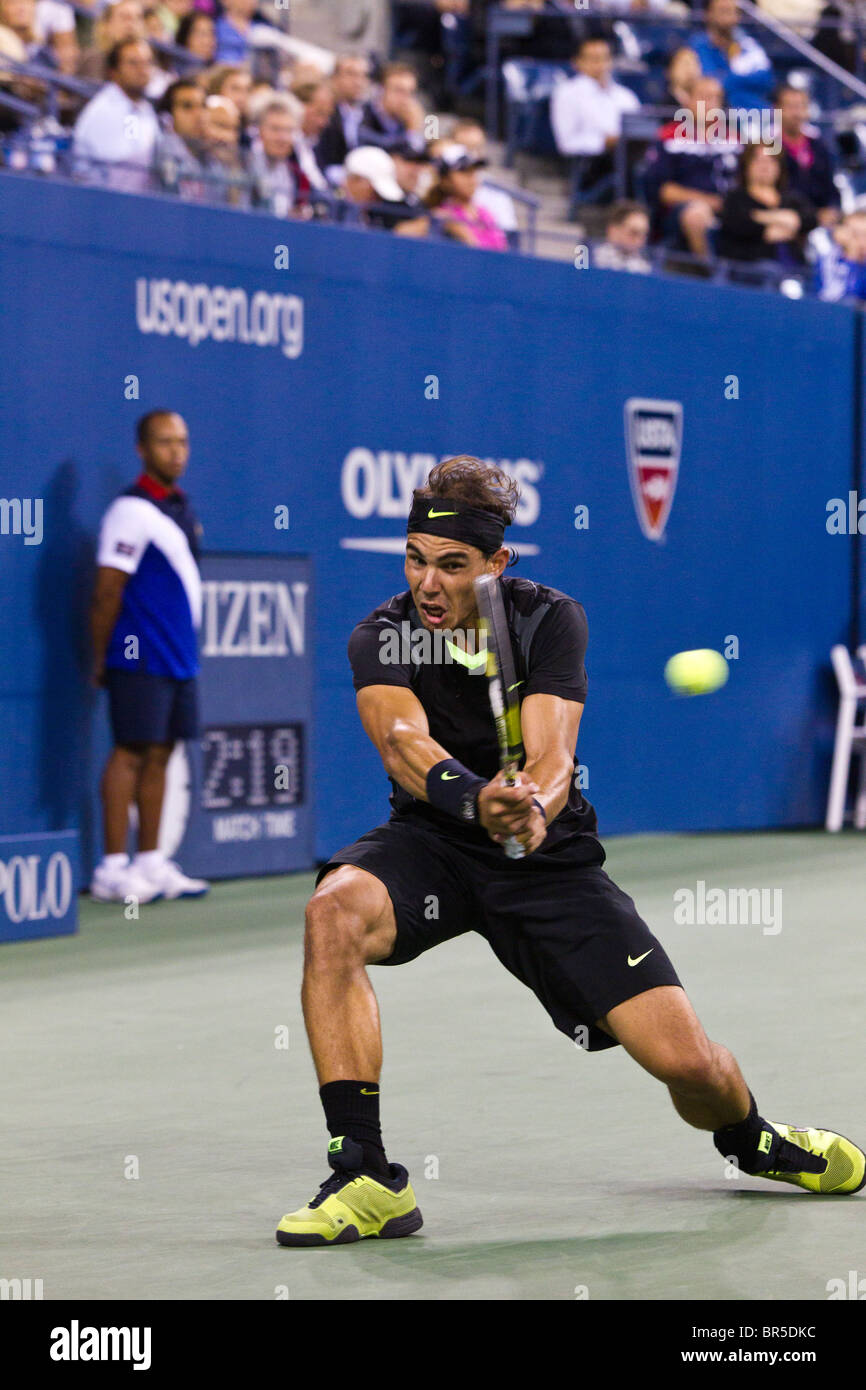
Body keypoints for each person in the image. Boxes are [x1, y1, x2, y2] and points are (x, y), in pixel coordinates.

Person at [275, 455, 865, 1246]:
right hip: (435, 844)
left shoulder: (548, 621)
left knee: (689, 1066)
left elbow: (553, 757)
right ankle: (364, 1175)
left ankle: (752, 1138)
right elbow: (400, 740)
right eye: (415, 559)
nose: (428, 583)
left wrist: (533, 806)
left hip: (546, 861)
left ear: (496, 564)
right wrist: (471, 796)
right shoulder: (381, 635)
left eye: (452, 565)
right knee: (333, 911)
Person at [90, 411, 209, 906]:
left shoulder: (180, 506)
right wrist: (100, 657)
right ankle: (112, 871)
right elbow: (107, 590)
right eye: (164, 443)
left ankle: (151, 861)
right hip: (137, 656)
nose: (176, 452)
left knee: (163, 752)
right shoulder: (129, 511)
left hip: (178, 657)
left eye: (182, 441)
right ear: (142, 449)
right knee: (130, 751)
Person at [643, 75, 740, 258]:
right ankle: (711, 275)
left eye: (715, 98)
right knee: (697, 215)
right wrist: (708, 201)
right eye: (704, 97)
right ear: (688, 100)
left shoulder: (734, 138)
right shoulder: (670, 135)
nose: (710, 104)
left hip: (730, 207)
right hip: (680, 212)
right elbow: (664, 191)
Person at [550, 35, 640, 204]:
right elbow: (566, 143)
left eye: (605, 58)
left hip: (629, 154)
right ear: (577, 62)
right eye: (593, 59)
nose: (600, 65)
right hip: (592, 163)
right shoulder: (567, 93)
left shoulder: (626, 96)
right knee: (630, 167)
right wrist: (603, 141)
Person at [73, 38, 160, 191]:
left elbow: (135, 144)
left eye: (148, 62)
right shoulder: (103, 110)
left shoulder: (142, 109)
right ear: (113, 72)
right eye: (133, 63)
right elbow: (122, 169)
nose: (143, 69)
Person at [718, 141, 815, 264]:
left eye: (771, 161)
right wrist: (782, 223)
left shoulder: (792, 199)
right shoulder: (735, 198)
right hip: (751, 267)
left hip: (795, 267)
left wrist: (759, 216)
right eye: (758, 160)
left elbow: (811, 219)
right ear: (746, 166)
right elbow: (739, 224)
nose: (765, 166)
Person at [690, 0, 774, 111]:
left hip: (754, 111)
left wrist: (729, 79)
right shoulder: (698, 45)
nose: (728, 16)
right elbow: (711, 80)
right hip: (718, 113)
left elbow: (767, 80)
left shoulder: (748, 44)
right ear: (708, 14)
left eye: (732, 11)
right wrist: (742, 79)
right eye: (723, 11)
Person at [776, 83, 840, 226]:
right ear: (777, 109)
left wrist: (831, 209)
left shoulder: (818, 144)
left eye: (802, 106)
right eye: (791, 107)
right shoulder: (768, 146)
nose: (797, 113)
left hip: (821, 218)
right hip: (786, 218)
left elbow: (829, 185)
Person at [426, 143, 508, 251]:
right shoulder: (439, 215)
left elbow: (501, 254)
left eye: (473, 171)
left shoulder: (485, 213)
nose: (471, 178)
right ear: (445, 180)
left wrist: (464, 234)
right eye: (464, 171)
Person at [451, 118, 518, 240]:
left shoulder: (496, 191)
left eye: (477, 148)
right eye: (466, 148)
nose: (473, 155)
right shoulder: (439, 184)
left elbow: (509, 236)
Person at [248, 96, 309, 215]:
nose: (283, 138)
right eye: (275, 129)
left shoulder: (295, 174)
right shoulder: (244, 164)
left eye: (289, 131)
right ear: (259, 130)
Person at [315, 51, 369, 178]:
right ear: (335, 78)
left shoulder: (366, 115)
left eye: (363, 75)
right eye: (351, 74)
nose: (358, 82)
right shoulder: (323, 113)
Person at [359, 60, 425, 154]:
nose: (405, 99)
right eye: (399, 91)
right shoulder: (362, 114)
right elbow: (382, 146)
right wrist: (412, 131)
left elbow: (423, 153)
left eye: (410, 92)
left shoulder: (406, 118)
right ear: (381, 90)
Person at [812, 210, 866, 302]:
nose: (859, 240)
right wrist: (851, 259)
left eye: (864, 235)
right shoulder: (829, 259)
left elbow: (856, 296)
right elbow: (828, 295)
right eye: (855, 234)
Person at [593, 199, 652, 272]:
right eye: (634, 232)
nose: (640, 240)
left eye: (644, 234)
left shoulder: (645, 270)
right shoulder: (588, 258)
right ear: (613, 230)